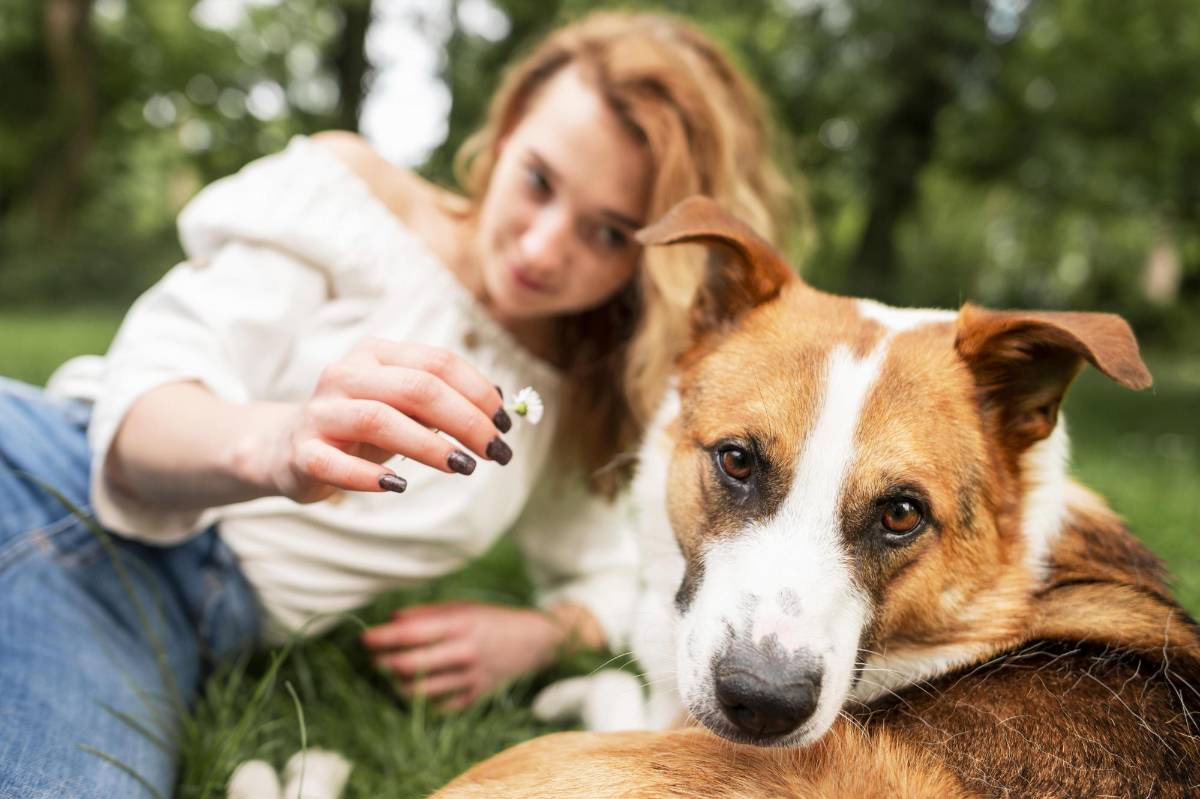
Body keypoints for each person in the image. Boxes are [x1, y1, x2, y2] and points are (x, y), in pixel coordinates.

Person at [0, 10, 795, 796]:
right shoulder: (355, 209)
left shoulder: (575, 390)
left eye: (610, 235)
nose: (544, 247)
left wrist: (542, 633)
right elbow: (140, 409)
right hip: (50, 481)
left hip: (159, 622)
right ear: (508, 127)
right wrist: (279, 444)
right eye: (540, 181)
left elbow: (619, 572)